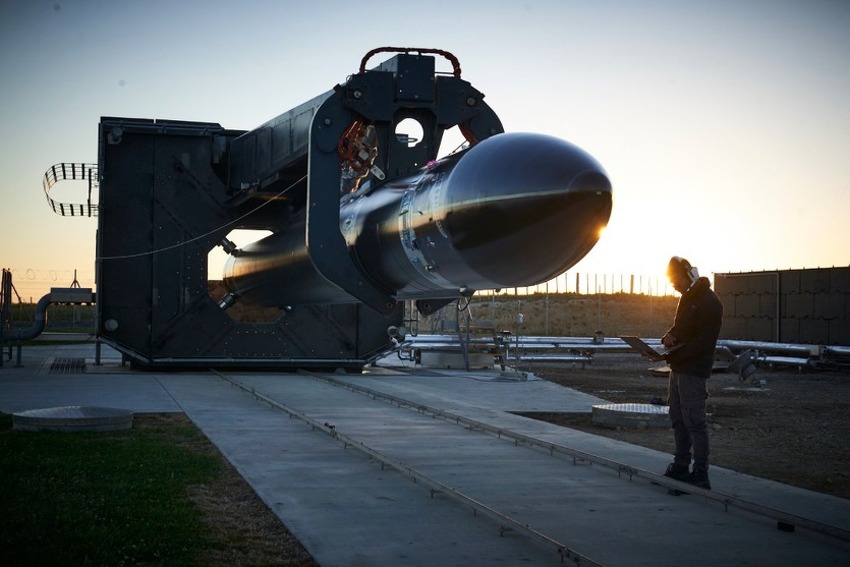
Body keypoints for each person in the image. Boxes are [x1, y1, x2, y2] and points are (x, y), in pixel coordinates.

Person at [654, 256, 723, 490]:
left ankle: (701, 472)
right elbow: (679, 330)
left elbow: (702, 343)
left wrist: (670, 356)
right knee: (678, 418)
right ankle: (681, 465)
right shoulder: (687, 298)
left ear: (688, 275)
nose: (673, 285)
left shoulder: (709, 303)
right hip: (679, 368)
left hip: (693, 371)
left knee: (694, 421)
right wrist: (667, 339)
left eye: (676, 280)